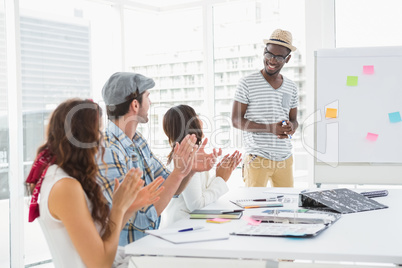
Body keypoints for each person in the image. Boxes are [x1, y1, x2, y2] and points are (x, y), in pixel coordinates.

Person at [25, 98, 164, 268]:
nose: (102, 139)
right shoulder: (65, 187)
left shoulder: (64, 178)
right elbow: (100, 263)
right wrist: (119, 208)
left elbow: (102, 238)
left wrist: (129, 207)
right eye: (98, 132)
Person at [97, 72, 220, 245]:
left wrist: (188, 170)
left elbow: (171, 188)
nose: (150, 103)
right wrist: (178, 173)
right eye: (148, 97)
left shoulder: (138, 141)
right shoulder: (109, 150)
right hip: (127, 254)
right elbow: (140, 219)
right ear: (135, 105)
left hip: (149, 243)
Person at [231, 29, 299, 188]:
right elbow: (236, 120)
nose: (272, 60)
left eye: (279, 57)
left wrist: (291, 127)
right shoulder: (247, 83)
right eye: (269, 54)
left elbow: (294, 120)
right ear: (264, 52)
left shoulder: (291, 87)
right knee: (254, 207)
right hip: (257, 158)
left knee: (286, 206)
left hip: (285, 158)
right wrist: (271, 129)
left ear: (287, 59)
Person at [160, 105, 242, 227]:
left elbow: (201, 193)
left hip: (189, 224)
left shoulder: (189, 155)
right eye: (197, 116)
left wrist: (219, 175)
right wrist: (221, 179)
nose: (201, 120)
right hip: (182, 227)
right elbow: (196, 205)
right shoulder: (186, 159)